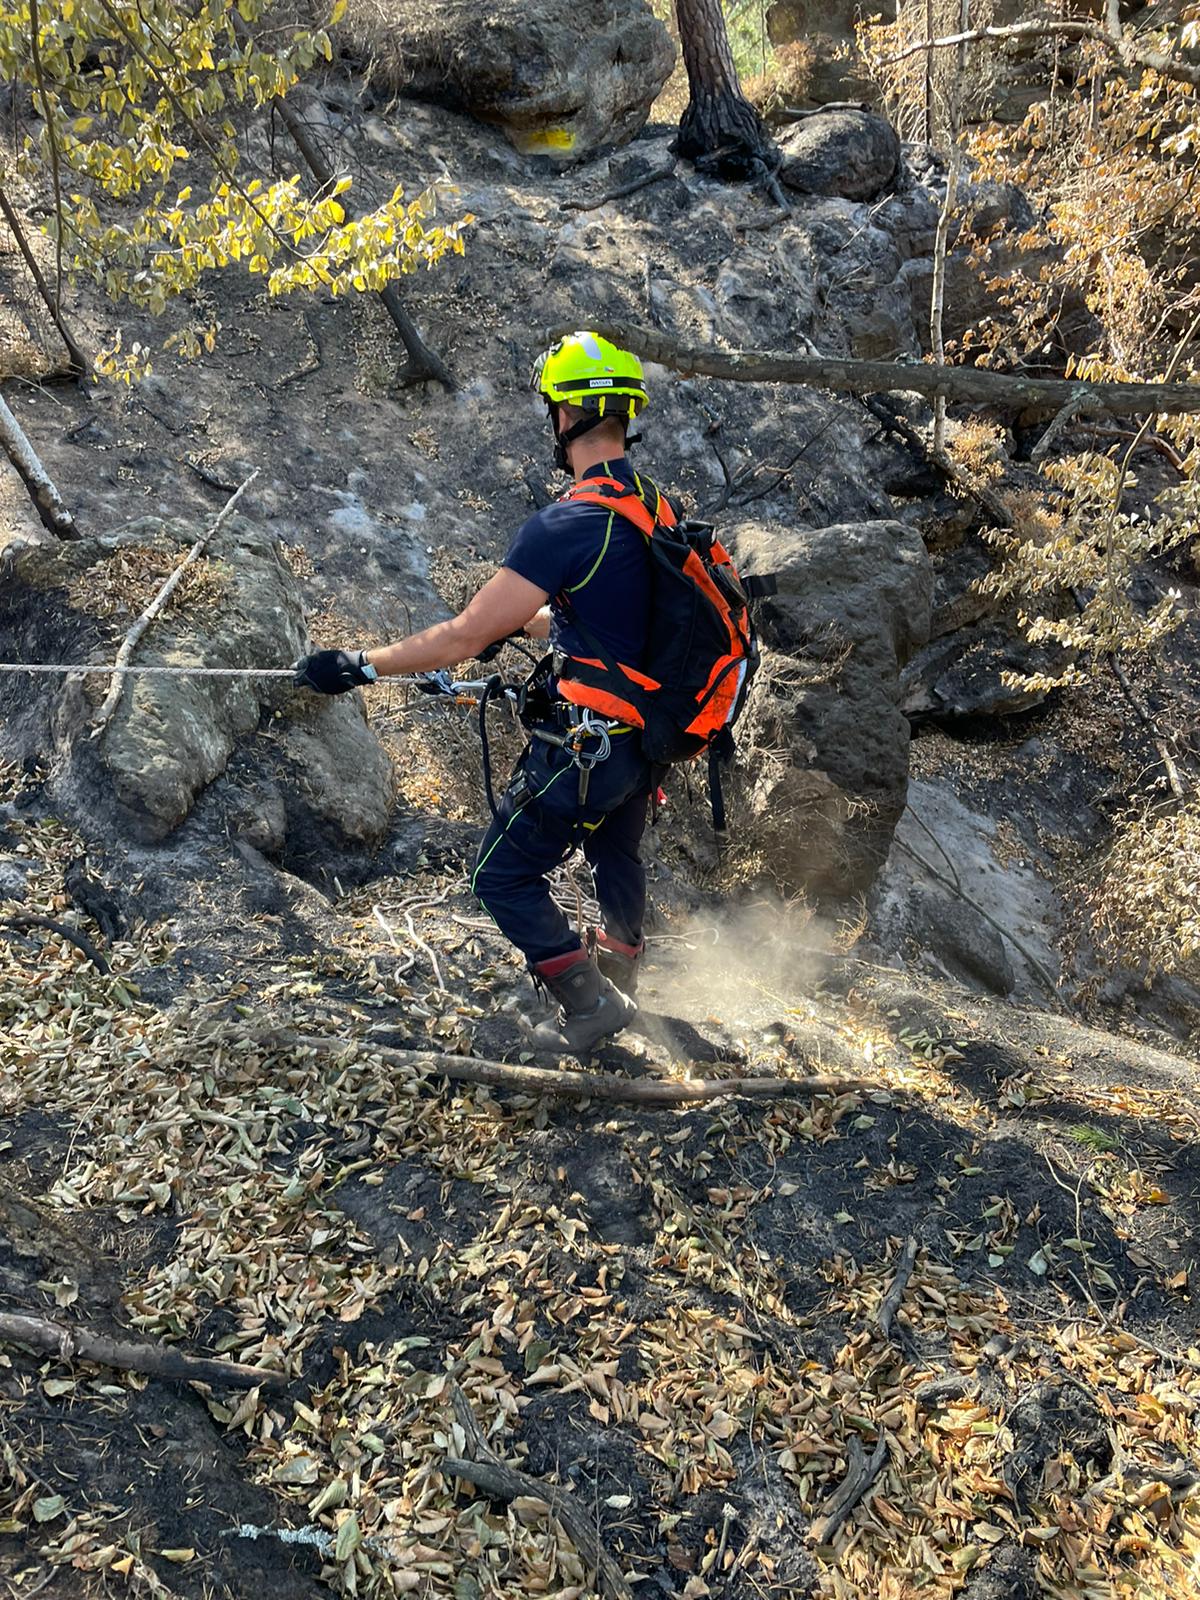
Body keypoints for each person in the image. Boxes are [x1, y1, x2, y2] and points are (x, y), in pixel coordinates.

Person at [294, 332, 673, 1054]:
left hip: (587, 744)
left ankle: (590, 1003)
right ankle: (623, 972)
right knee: (617, 855)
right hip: (644, 745)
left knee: (500, 874)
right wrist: (525, 628)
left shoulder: (567, 524)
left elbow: (463, 635)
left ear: (567, 417)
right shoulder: (655, 512)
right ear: (622, 414)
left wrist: (359, 664)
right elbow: (610, 617)